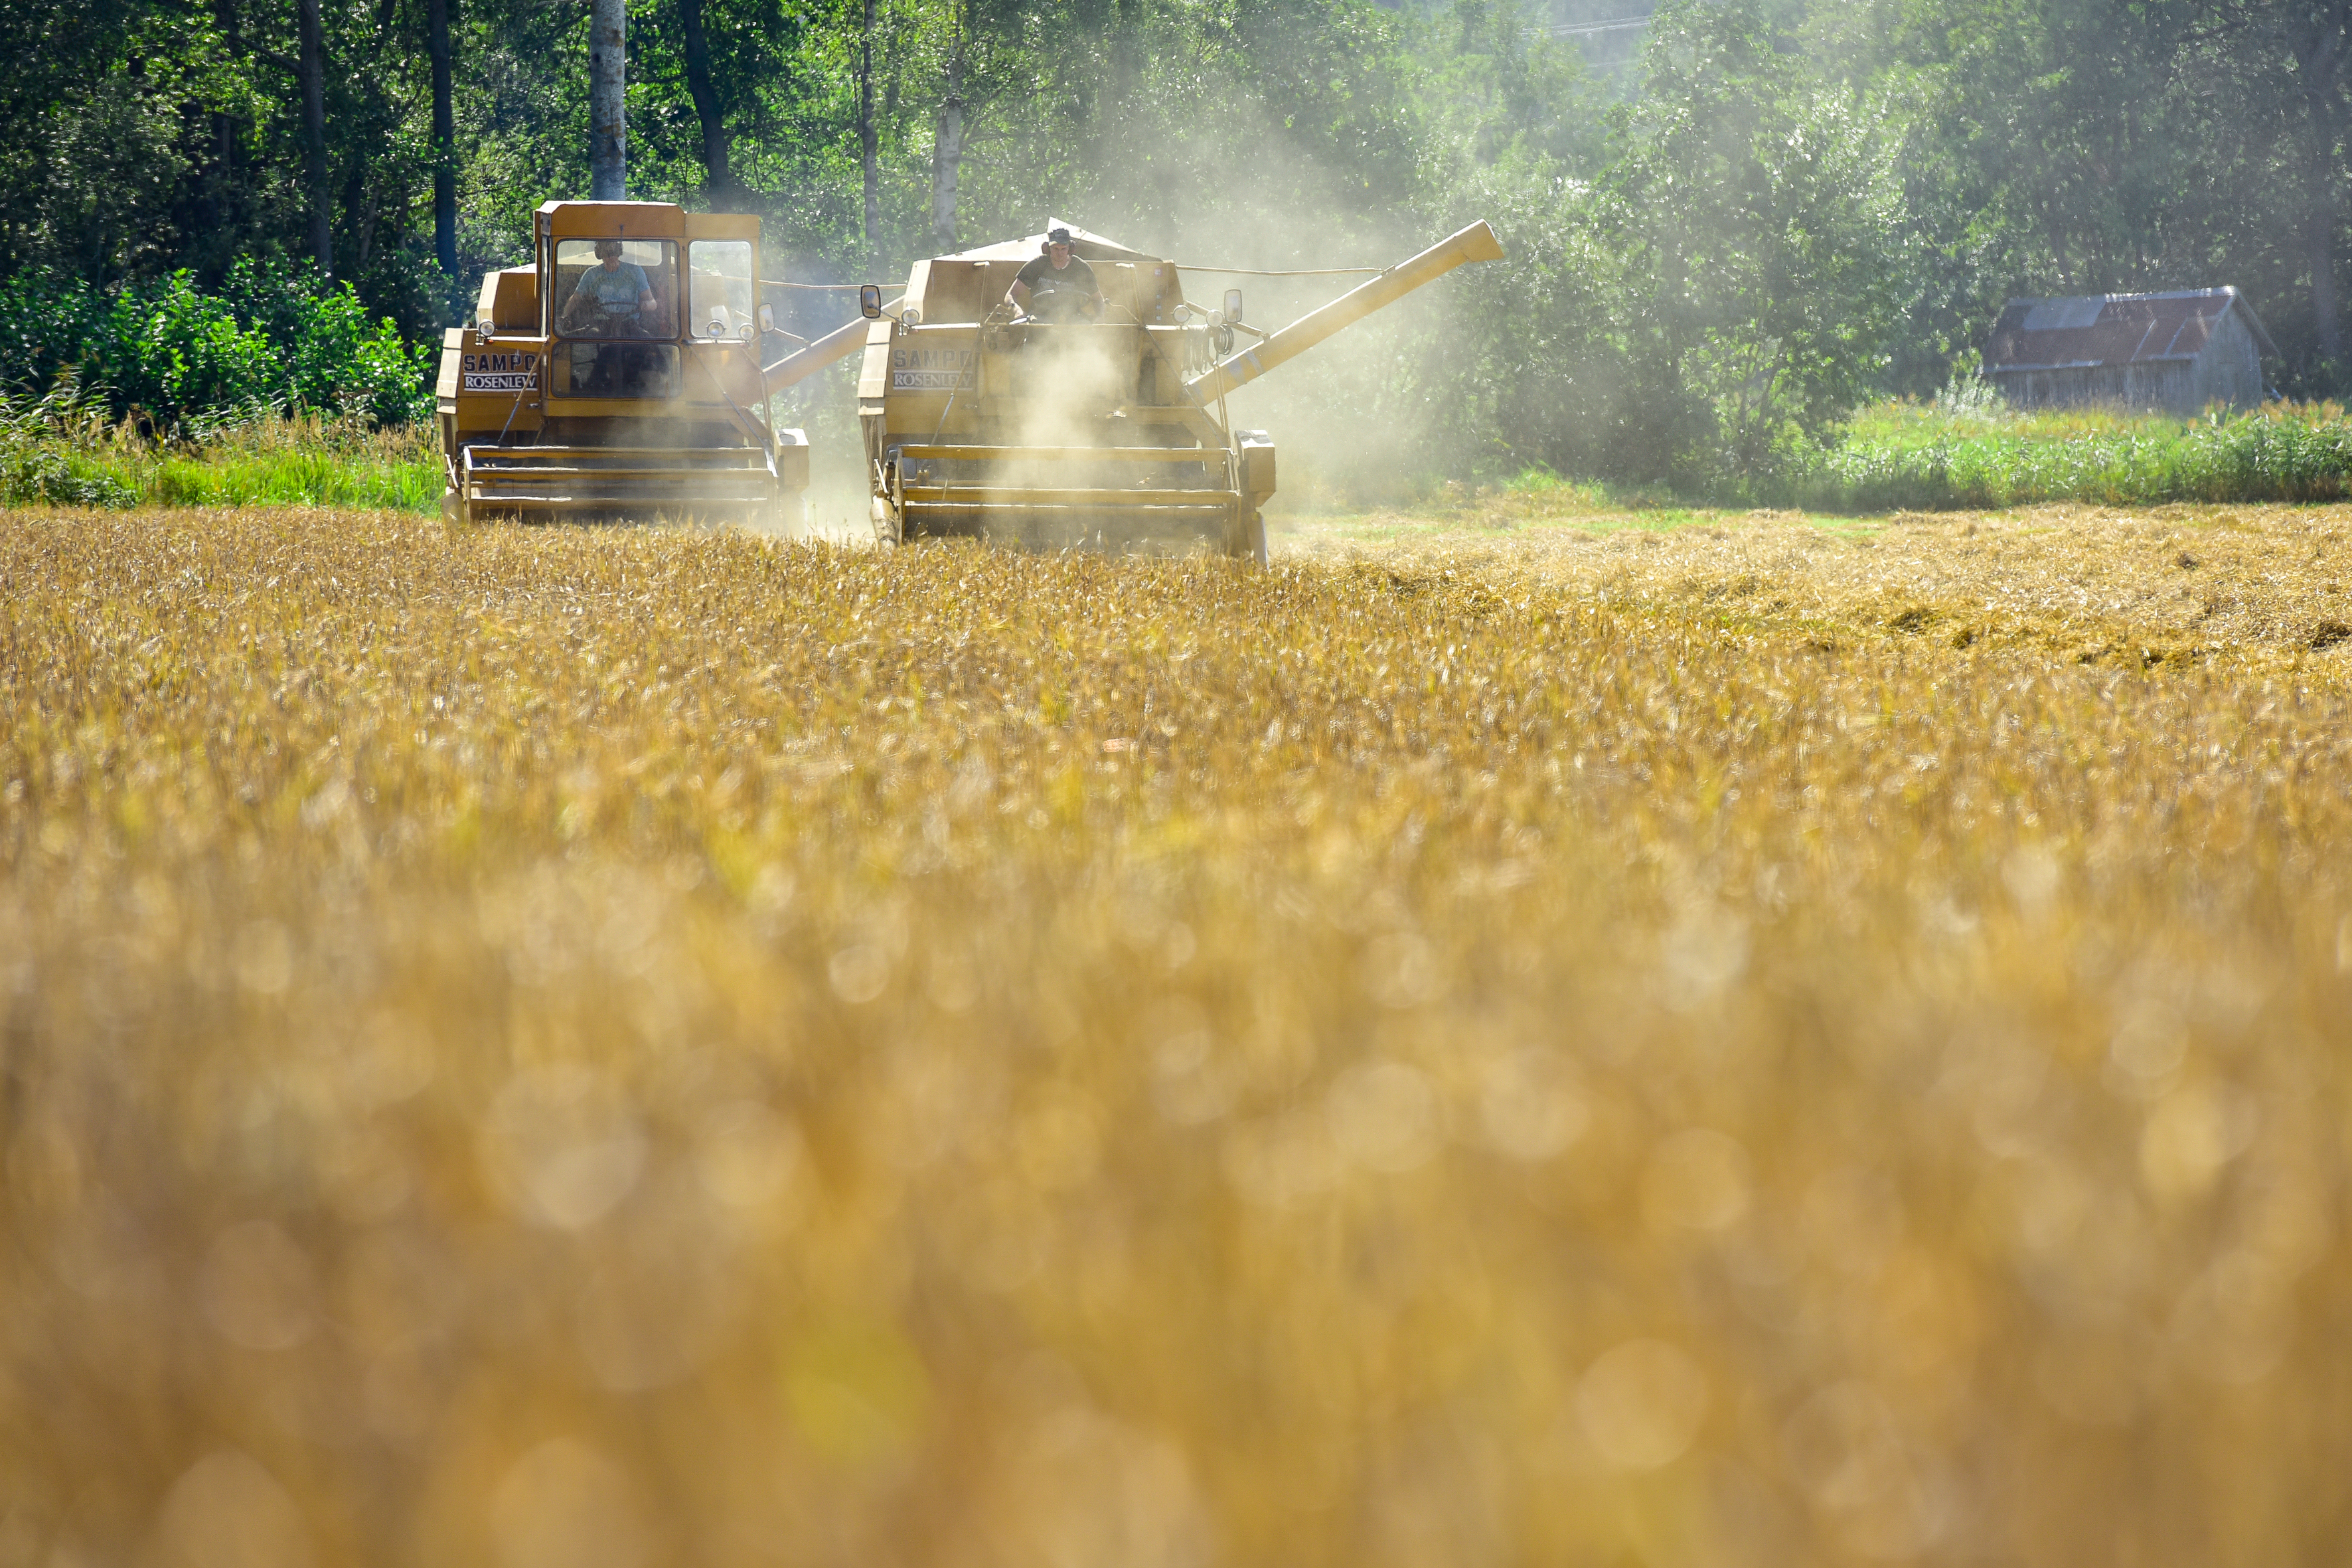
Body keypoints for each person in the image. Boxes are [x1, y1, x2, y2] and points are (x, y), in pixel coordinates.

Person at [560, 239, 663, 337]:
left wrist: (646, 305)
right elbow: (575, 299)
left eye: (614, 253)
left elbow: (652, 302)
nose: (611, 258)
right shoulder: (591, 274)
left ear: (619, 253)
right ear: (599, 254)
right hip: (601, 325)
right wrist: (565, 317)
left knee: (645, 339)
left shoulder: (636, 272)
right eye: (607, 254)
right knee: (589, 339)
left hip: (629, 325)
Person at [1006, 227, 1103, 323]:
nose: (1060, 253)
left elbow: (1097, 299)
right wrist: (1017, 310)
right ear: (1048, 248)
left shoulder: (1081, 268)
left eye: (1063, 249)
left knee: (1084, 324)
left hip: (1073, 318)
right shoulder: (1036, 265)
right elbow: (1011, 295)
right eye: (1056, 249)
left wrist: (1100, 317)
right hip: (1040, 317)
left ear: (1070, 249)